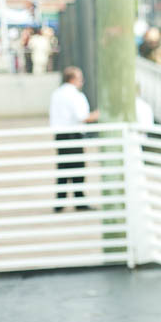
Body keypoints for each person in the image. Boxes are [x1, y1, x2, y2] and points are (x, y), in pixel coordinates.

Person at [49, 66, 100, 212]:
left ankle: (60, 202)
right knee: (78, 169)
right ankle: (79, 200)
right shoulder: (75, 95)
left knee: (63, 168)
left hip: (60, 135)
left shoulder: (56, 94)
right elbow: (82, 116)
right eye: (80, 78)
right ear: (73, 79)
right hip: (73, 135)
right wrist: (98, 114)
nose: (82, 81)